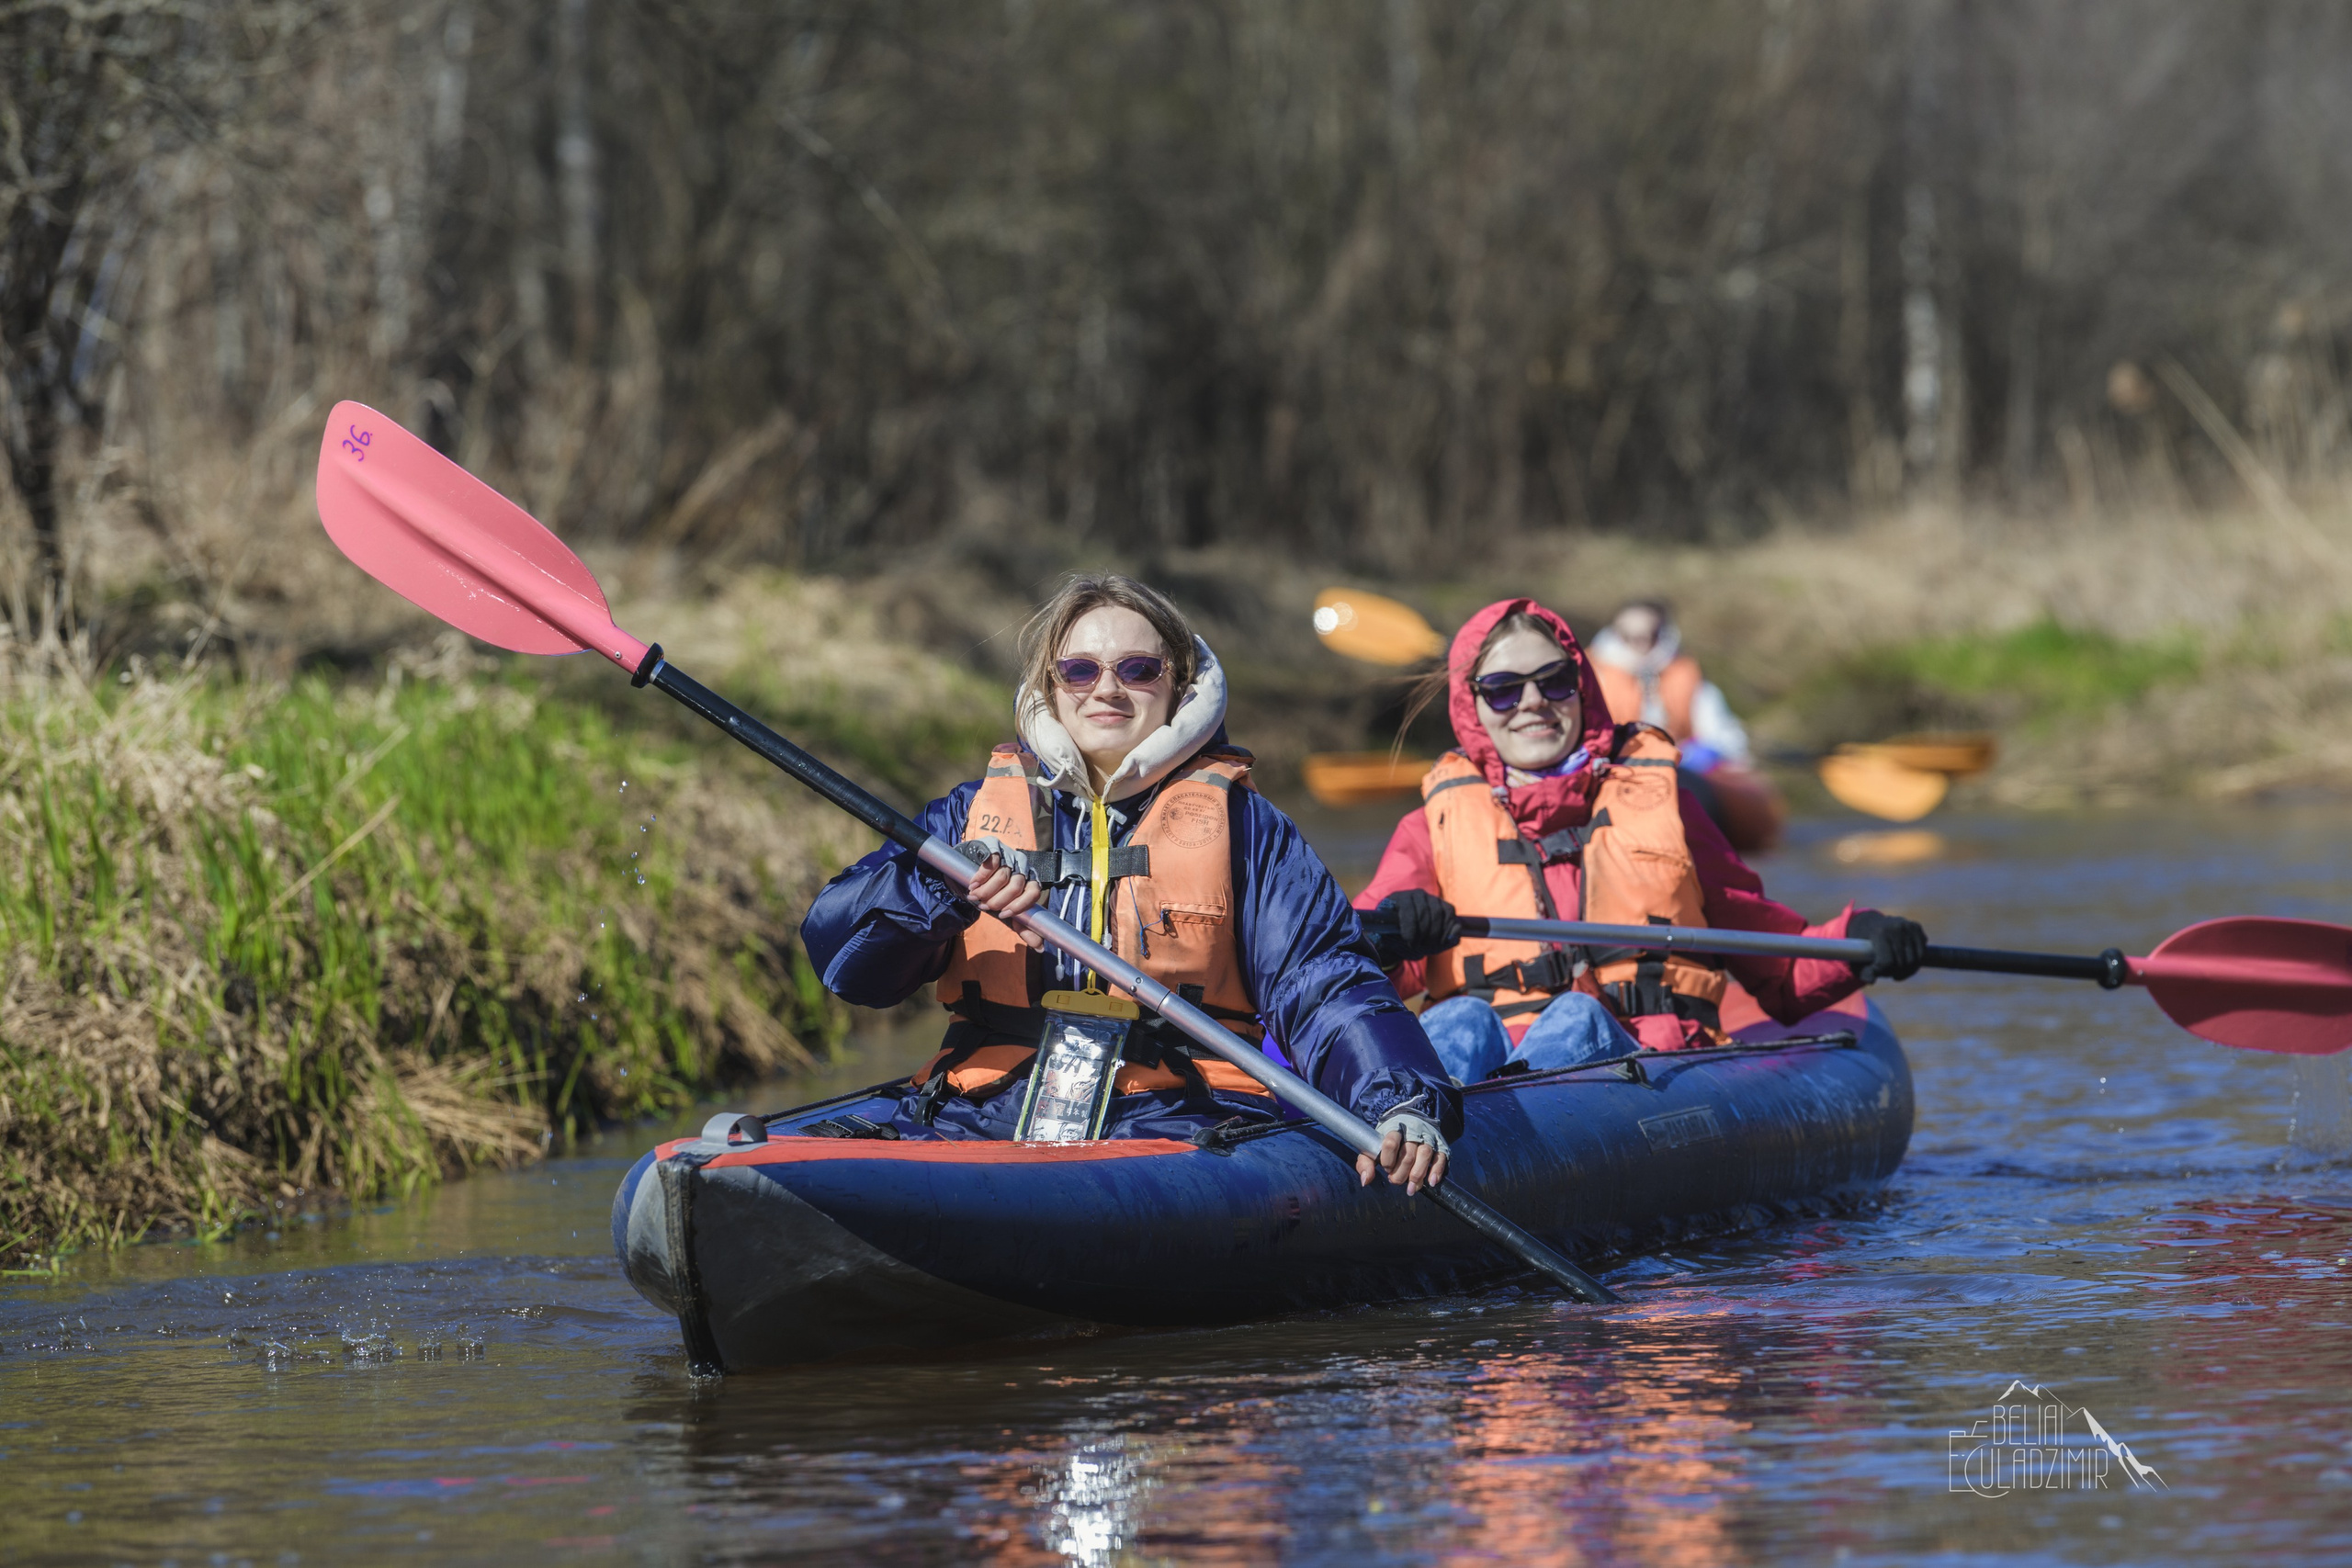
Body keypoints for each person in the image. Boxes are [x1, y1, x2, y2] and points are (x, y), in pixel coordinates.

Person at [801, 572, 1461, 1192]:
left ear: (1179, 686)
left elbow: (1323, 982)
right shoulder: (966, 818)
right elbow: (846, 966)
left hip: (1180, 1123)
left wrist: (1397, 1100)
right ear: (1051, 686)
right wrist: (940, 885)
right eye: (1080, 670)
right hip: (977, 1116)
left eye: (1139, 669)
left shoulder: (1245, 826)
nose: (1107, 689)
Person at [1354, 597, 1928, 1086]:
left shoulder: (1668, 806)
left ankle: (1505, 1134)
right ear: (1473, 705)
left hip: (1642, 1076)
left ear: (1582, 688)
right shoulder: (1433, 826)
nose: (1533, 702)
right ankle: (1407, 1130)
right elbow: (1351, 970)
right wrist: (1389, 936)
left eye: (1554, 681)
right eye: (1503, 689)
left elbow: (1775, 965)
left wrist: (1858, 940)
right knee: (1458, 1022)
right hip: (1477, 1078)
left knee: (1577, 1016)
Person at [1587, 599, 1749, 773]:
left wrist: (1706, 752)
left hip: (1680, 768)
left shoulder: (1685, 673)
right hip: (1614, 767)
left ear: (1663, 632)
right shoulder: (1592, 673)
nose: (1639, 643)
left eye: (1650, 635)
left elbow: (1722, 732)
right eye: (1628, 636)